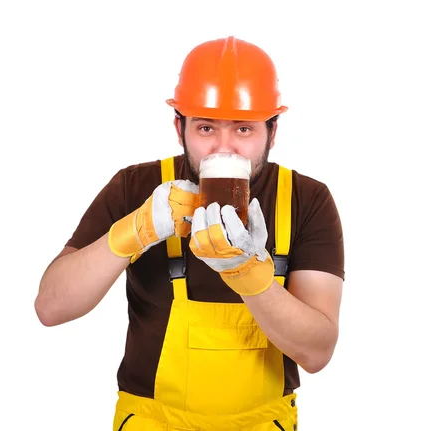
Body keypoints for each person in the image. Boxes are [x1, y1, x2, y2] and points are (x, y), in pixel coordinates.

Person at [35, 35, 345, 431]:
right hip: (152, 423)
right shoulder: (136, 185)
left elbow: (317, 352)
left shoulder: (306, 199)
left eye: (244, 130)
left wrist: (249, 276)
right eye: (205, 127)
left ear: (273, 131)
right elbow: (50, 307)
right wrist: (136, 230)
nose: (224, 148)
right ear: (179, 127)